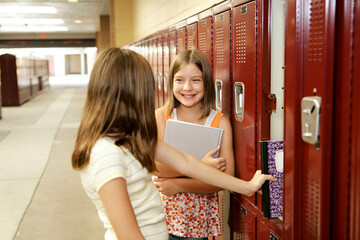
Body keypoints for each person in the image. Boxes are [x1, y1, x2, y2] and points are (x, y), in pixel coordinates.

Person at [71, 47, 276, 240]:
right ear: (128, 94)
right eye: (146, 87)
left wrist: (247, 187)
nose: (150, 94)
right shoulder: (106, 154)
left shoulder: (131, 137)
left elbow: (186, 162)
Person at [153, 49, 234, 240]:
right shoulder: (161, 117)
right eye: (179, 80)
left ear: (207, 82)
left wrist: (178, 184)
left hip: (198, 224)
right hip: (160, 218)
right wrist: (203, 167)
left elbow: (226, 179)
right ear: (170, 82)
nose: (187, 87)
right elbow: (154, 168)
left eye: (196, 80)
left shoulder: (220, 122)